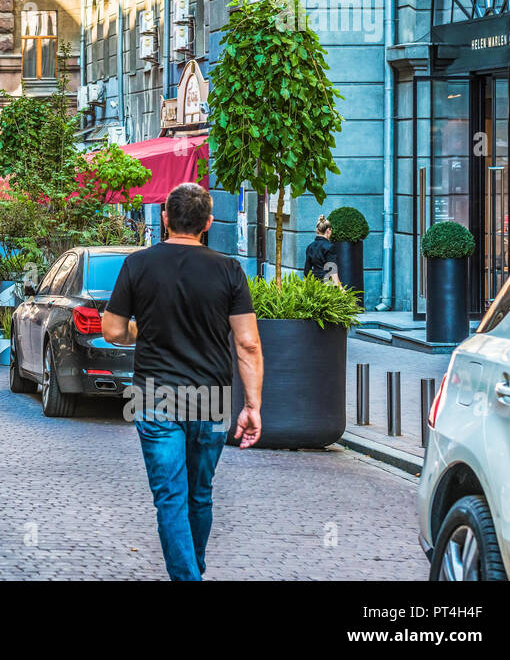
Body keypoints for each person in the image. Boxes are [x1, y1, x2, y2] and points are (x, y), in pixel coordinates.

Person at [101, 182, 264, 581]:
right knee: (199, 494)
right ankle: (193, 572)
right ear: (208, 223)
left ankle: (189, 575)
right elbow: (248, 344)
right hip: (211, 397)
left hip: (155, 396)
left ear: (165, 218)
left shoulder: (138, 265)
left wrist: (142, 330)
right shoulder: (229, 270)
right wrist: (252, 406)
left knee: (171, 497)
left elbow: (112, 330)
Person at [302, 215, 341, 284]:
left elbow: (307, 270)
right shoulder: (330, 247)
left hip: (314, 284)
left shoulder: (310, 246)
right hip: (327, 284)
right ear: (328, 230)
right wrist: (340, 287)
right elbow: (332, 270)